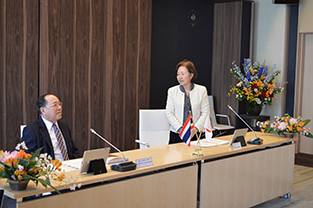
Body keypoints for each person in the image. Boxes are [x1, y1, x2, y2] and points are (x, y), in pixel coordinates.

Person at [21, 93, 80, 161]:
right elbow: (29, 157)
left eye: (60, 104)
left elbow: (73, 151)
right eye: (54, 105)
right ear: (43, 110)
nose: (59, 108)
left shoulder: (64, 126)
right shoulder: (31, 130)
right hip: (51, 169)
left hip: (70, 167)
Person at [165, 59, 209, 144]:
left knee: (195, 156)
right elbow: (169, 113)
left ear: (191, 75)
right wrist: (181, 129)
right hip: (177, 133)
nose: (180, 77)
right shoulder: (172, 91)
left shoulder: (202, 90)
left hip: (196, 134)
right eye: (178, 74)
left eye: (183, 74)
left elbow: (205, 112)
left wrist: (195, 128)